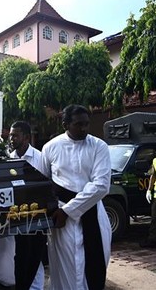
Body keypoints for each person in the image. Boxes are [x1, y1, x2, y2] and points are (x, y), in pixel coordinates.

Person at [40, 104, 111, 290]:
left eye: (87, 124)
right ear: (65, 124)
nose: (85, 129)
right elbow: (43, 183)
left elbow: (101, 185)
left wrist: (69, 210)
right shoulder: (50, 147)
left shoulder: (99, 146)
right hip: (60, 219)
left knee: (94, 264)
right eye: (79, 124)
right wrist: (56, 211)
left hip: (92, 212)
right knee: (65, 267)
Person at [9, 121, 48, 290]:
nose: (11, 139)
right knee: (21, 254)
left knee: (35, 254)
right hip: (18, 215)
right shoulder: (9, 157)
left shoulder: (39, 158)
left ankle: (35, 287)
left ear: (26, 137)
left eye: (15, 135)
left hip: (37, 215)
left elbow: (46, 186)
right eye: (10, 135)